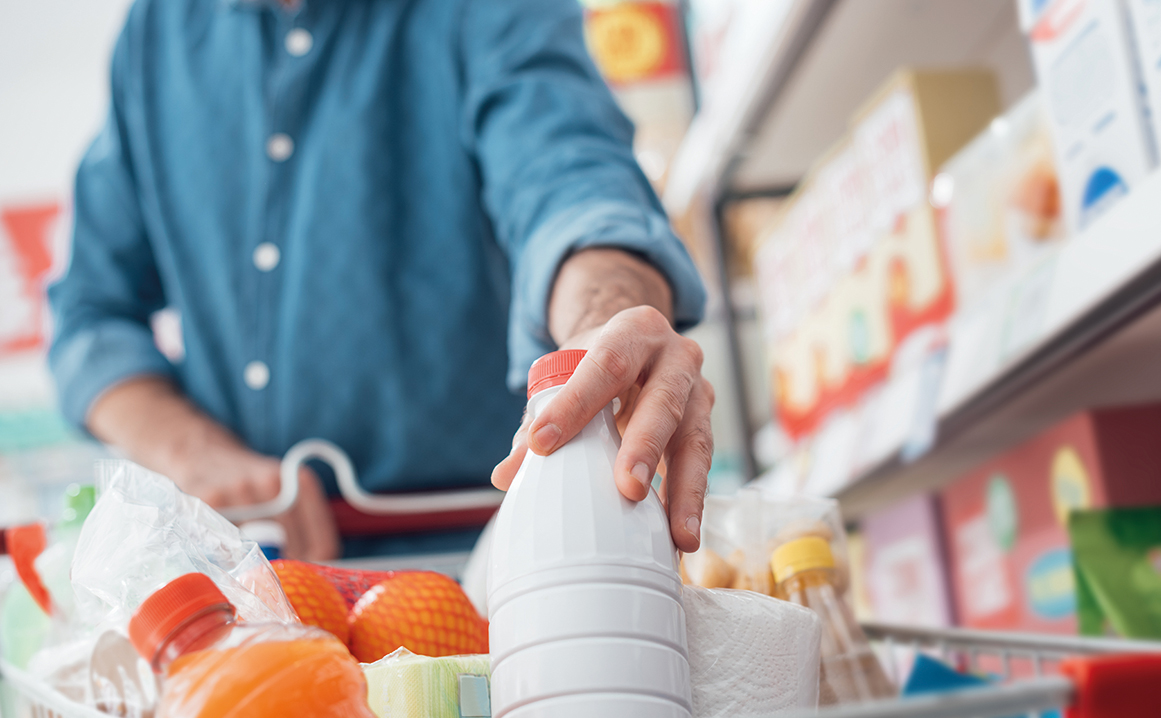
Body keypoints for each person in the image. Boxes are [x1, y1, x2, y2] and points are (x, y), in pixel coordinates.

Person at [48, 0, 714, 561]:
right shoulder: (155, 34)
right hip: (252, 587)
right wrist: (193, 453)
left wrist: (605, 328)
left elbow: (570, 182)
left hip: (490, 564)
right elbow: (89, 316)